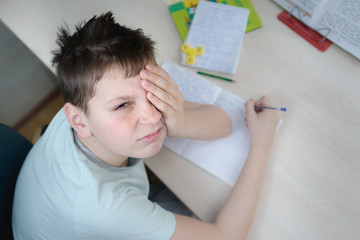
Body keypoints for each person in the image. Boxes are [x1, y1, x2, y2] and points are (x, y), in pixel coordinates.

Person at [12, 12, 280, 240]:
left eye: (152, 93)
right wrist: (262, 145)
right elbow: (226, 236)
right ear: (78, 121)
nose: (152, 116)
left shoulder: (88, 100)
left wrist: (181, 121)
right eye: (122, 106)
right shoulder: (109, 208)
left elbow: (223, 121)